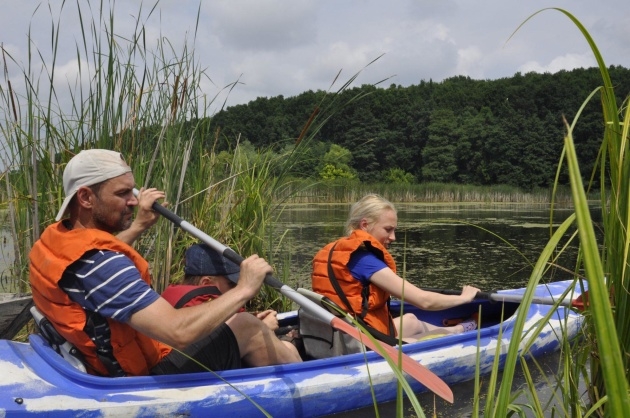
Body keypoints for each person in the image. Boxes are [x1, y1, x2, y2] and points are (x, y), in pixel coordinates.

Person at [29, 149, 301, 378]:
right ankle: (302, 367)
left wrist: (138, 226)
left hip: (109, 363)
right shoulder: (102, 265)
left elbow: (100, 259)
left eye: (132, 191)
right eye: (122, 193)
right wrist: (243, 288)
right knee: (245, 325)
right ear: (86, 197)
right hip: (141, 379)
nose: (134, 201)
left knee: (225, 318)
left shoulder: (60, 241)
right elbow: (178, 332)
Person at [312, 194, 480, 343]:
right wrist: (464, 298)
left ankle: (458, 329)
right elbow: (424, 301)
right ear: (364, 225)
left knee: (412, 320)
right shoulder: (366, 260)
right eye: (388, 229)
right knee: (416, 342)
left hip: (340, 331)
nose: (393, 237)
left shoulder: (334, 250)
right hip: (359, 342)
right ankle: (458, 331)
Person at [161, 243, 279, 332]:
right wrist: (261, 328)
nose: (237, 289)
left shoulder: (171, 296)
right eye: (232, 284)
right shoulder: (198, 303)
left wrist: (255, 320)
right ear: (206, 284)